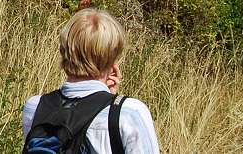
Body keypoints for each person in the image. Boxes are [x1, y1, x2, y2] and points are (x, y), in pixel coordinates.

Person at [22, 8, 160, 154]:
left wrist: (107, 99)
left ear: (64, 51)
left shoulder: (35, 107)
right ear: (112, 59)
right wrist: (111, 103)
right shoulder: (129, 113)